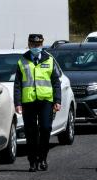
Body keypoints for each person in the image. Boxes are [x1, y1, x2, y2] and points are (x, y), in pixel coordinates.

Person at [13, 34, 61, 172]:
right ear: (29, 44)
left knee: (45, 129)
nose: (36, 47)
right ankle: (32, 161)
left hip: (46, 101)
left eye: (38, 45)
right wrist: (18, 103)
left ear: (42, 45)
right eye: (33, 45)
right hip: (28, 102)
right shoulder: (22, 61)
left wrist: (57, 100)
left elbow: (56, 82)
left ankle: (43, 158)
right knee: (31, 133)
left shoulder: (49, 60)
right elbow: (17, 84)